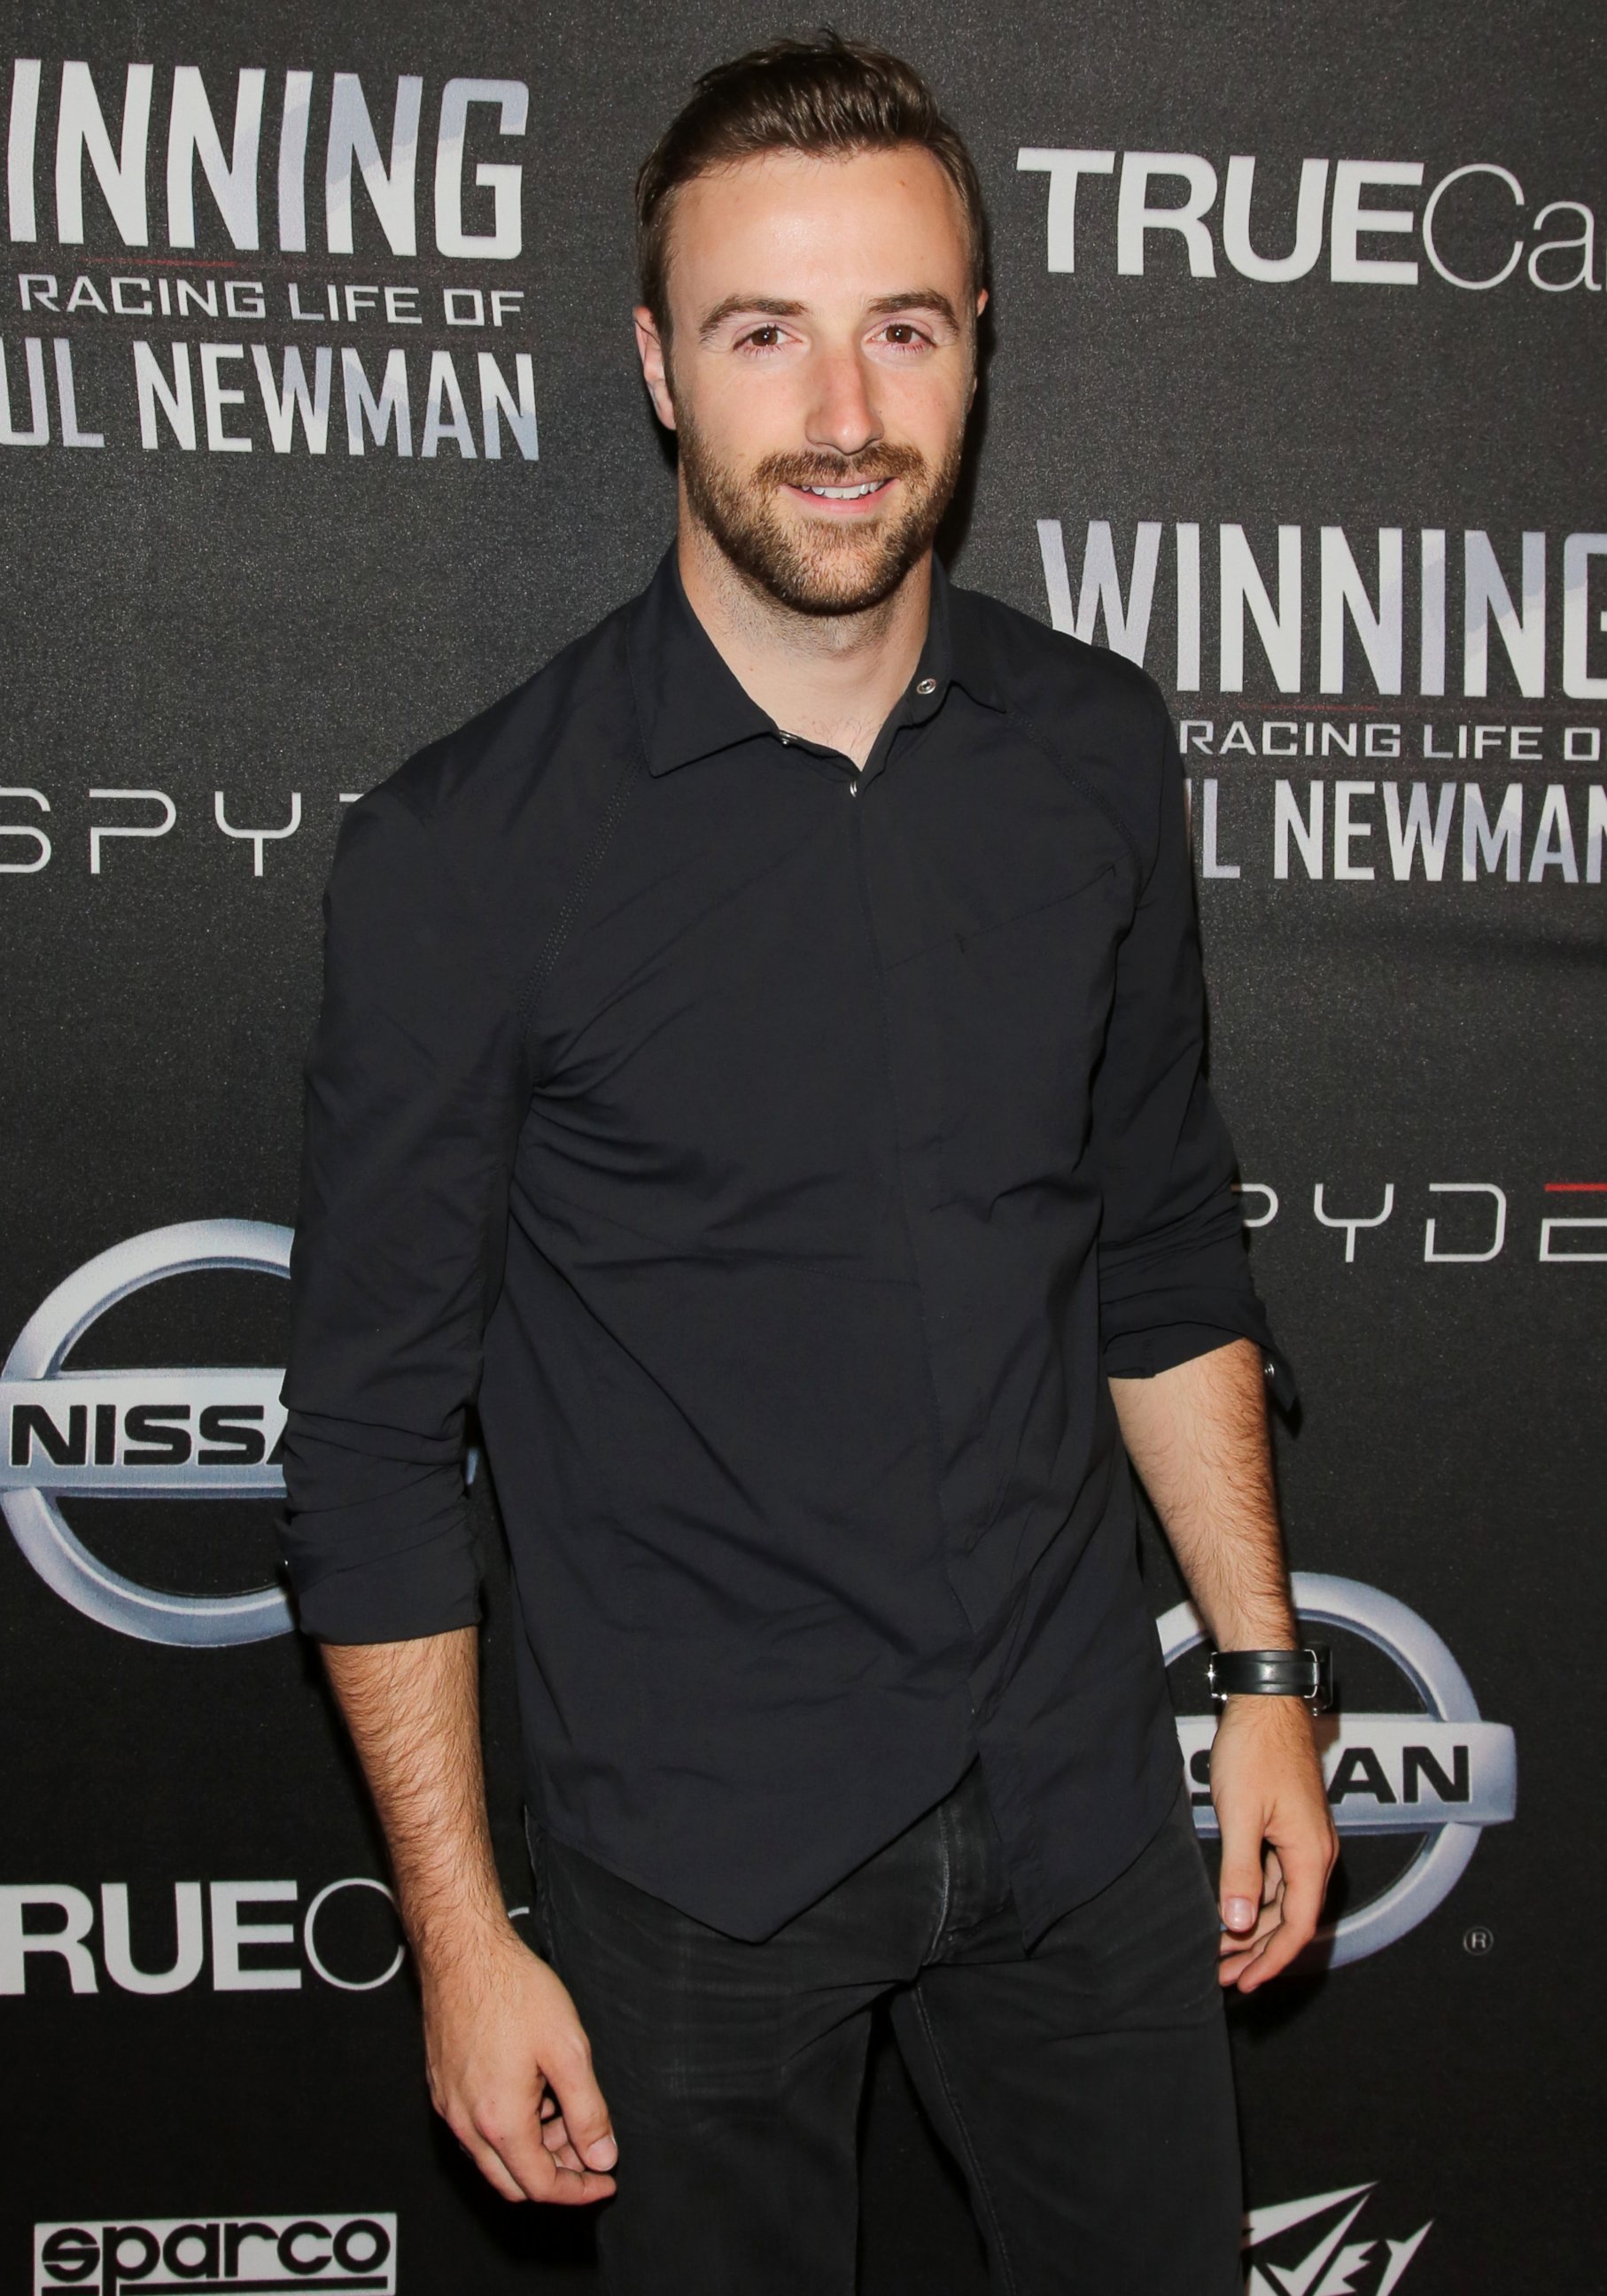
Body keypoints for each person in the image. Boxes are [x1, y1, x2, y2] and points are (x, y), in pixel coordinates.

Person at [280, 33, 1337, 2296]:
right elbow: (369, 1438)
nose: (842, 410)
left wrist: (1260, 1679)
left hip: (1075, 1808)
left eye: (904, 324)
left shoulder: (1092, 753)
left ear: (978, 345)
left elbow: (1161, 1257)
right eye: (765, 329)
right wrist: (464, 1941)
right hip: (699, 1863)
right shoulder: (470, 855)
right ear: (661, 368)